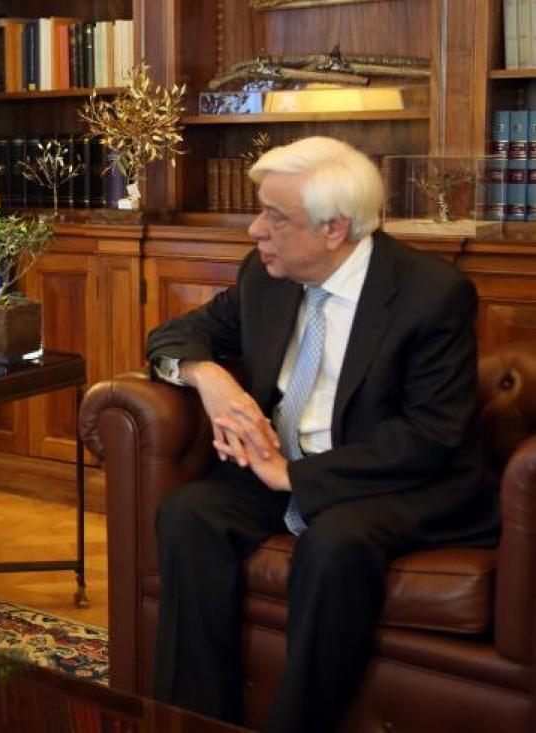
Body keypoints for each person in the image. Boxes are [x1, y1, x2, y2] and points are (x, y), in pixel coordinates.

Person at [145, 136, 498, 732]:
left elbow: (431, 435)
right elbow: (174, 334)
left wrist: (295, 475)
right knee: (190, 513)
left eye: (275, 217)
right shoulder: (267, 275)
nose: (255, 229)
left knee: (336, 543)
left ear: (334, 228)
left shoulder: (431, 293)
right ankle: (191, 720)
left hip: (390, 479)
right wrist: (208, 378)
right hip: (282, 461)